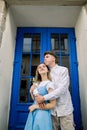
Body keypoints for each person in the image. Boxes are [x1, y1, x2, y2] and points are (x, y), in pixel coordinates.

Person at [31, 51, 75, 130]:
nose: (45, 58)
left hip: (64, 109)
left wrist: (44, 98)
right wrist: (34, 86)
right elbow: (39, 83)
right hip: (50, 112)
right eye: (44, 57)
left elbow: (63, 89)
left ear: (53, 58)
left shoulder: (63, 70)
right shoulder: (45, 72)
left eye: (47, 56)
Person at [24, 63, 56, 130]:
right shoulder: (37, 84)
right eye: (39, 67)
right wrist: (31, 92)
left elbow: (53, 104)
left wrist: (35, 106)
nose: (41, 68)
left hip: (42, 113)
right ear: (38, 71)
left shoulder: (49, 84)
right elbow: (34, 100)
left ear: (47, 70)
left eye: (44, 66)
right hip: (33, 112)